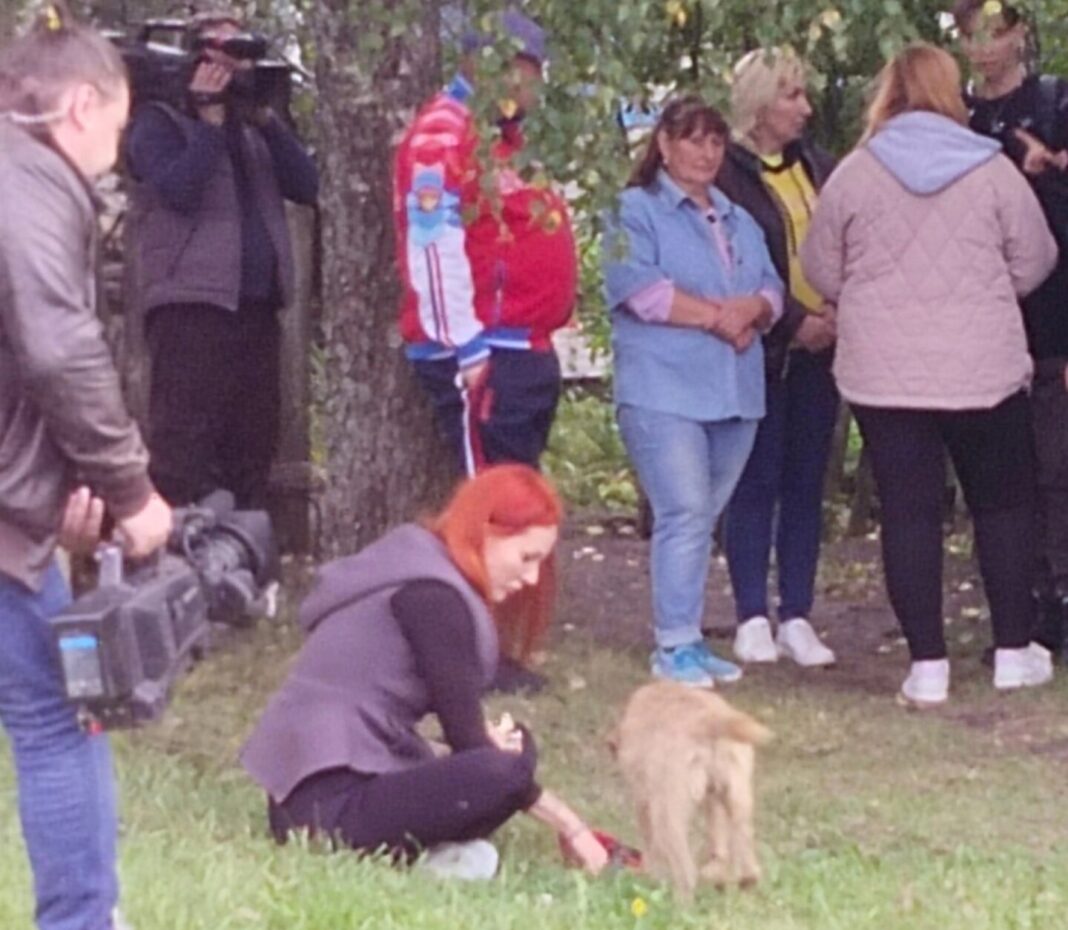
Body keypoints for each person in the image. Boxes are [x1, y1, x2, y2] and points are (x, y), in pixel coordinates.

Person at [800, 43, 1058, 706]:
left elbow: (822, 269)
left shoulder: (855, 174)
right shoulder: (993, 171)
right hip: (984, 369)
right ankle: (1010, 651)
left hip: (885, 377)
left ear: (888, 91)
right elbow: (1037, 257)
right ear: (952, 92)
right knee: (1002, 507)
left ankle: (927, 665)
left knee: (908, 514)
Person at [0, 5, 175, 928]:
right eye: (117, 122)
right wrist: (132, 493)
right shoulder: (28, 185)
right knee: (62, 721)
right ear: (79, 107)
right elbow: (57, 348)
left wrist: (44, 506)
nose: (119, 145)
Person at [240, 465, 609, 878]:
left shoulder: (415, 567)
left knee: (512, 754)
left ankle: (422, 855)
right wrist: (571, 826)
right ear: (485, 532)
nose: (532, 577)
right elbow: (470, 744)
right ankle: (423, 857)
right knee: (505, 769)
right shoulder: (435, 597)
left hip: (310, 799)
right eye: (527, 557)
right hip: (325, 810)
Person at [602, 95, 785, 689]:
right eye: (692, 139)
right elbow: (640, 291)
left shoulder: (738, 217)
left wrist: (753, 308)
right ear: (664, 144)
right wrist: (718, 317)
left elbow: (773, 291)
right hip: (665, 389)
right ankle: (673, 643)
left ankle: (690, 635)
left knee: (703, 516)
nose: (706, 152)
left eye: (715, 141)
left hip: (734, 391)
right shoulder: (634, 210)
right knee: (681, 510)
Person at [125, 5, 319, 509]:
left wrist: (266, 118)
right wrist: (208, 124)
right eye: (222, 49)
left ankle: (247, 565)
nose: (235, 64)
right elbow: (179, 188)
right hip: (191, 308)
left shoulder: (253, 128)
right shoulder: (157, 121)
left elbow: (306, 184)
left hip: (256, 310)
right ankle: (180, 568)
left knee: (253, 451)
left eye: (242, 51)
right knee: (183, 452)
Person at [393, 8, 576, 477]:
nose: (533, 89)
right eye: (529, 73)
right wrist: (466, 349)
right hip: (484, 353)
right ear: (494, 64)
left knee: (521, 499)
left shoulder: (508, 140)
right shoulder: (443, 135)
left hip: (522, 346)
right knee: (495, 505)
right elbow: (432, 246)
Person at [716, 48, 838, 668]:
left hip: (822, 351)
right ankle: (751, 614)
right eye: (792, 96)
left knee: (805, 482)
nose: (804, 109)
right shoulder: (729, 173)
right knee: (755, 481)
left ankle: (798, 612)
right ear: (760, 102)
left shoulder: (816, 166)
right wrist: (793, 320)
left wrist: (833, 316)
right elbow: (735, 261)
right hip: (759, 350)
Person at [954, 0, 1068, 658]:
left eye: (995, 31)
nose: (984, 46)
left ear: (1021, 32)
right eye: (971, 34)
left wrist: (1047, 174)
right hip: (978, 327)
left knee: (1057, 470)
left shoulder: (1054, 105)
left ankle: (1058, 597)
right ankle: (1012, 605)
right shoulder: (956, 122)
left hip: (1053, 324)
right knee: (999, 476)